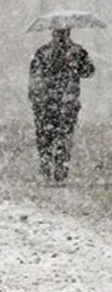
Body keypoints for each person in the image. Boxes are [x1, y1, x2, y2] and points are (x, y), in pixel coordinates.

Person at [29, 28, 95, 182]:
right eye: (59, 33)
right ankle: (53, 169)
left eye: (62, 33)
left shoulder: (72, 52)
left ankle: (55, 170)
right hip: (55, 102)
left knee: (55, 137)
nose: (60, 37)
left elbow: (89, 71)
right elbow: (34, 75)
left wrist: (75, 64)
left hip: (58, 102)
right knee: (54, 137)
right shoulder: (49, 52)